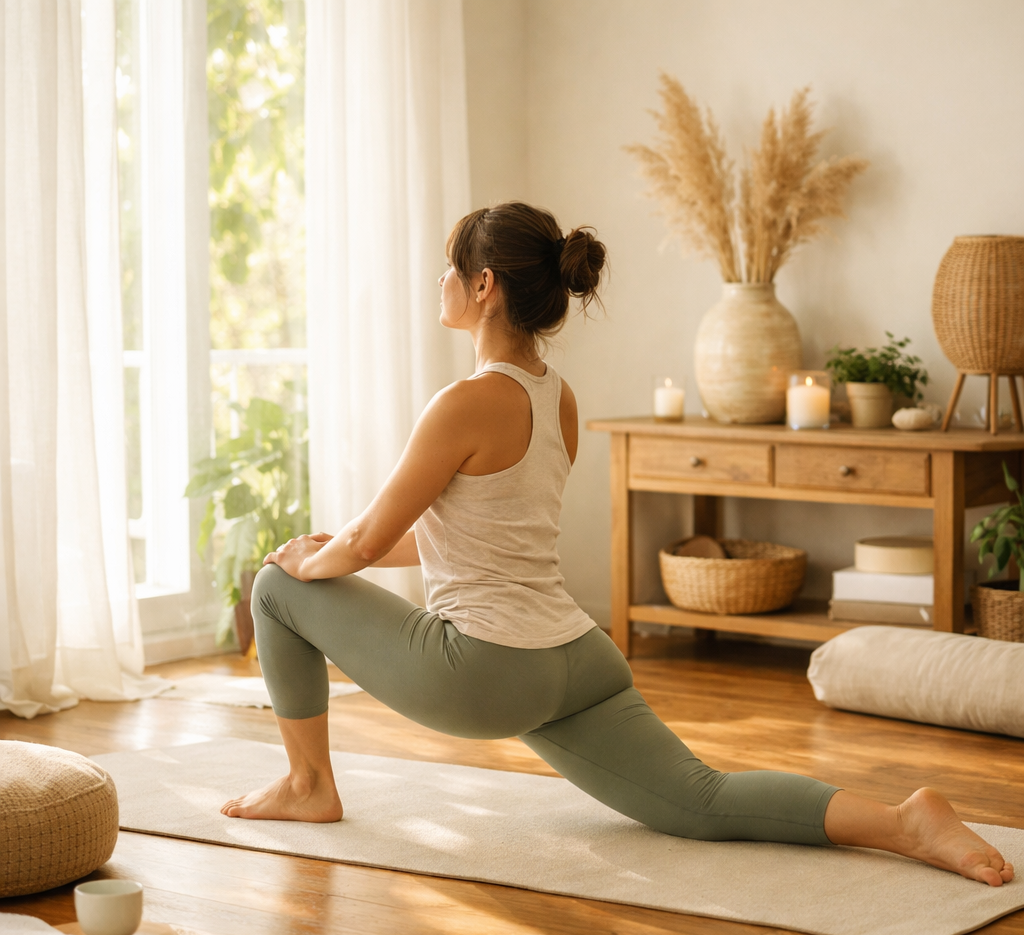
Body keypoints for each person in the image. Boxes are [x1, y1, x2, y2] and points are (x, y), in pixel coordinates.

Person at [221, 202, 1013, 888]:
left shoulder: (461, 403)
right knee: (702, 800)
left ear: (484, 285)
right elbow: (463, 541)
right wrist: (334, 550)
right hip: (576, 658)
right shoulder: (555, 396)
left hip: (489, 671)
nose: (440, 281)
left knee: (273, 588)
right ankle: (905, 822)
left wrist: (305, 562)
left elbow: (366, 539)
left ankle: (308, 783)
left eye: (449, 268)